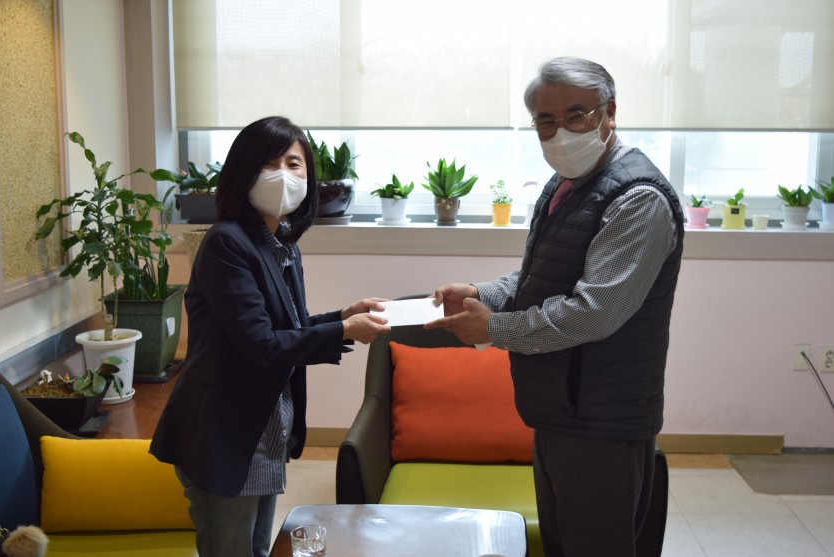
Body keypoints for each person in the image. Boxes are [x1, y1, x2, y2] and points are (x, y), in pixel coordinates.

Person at [425, 57, 684, 557]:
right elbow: (539, 278)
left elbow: (594, 311)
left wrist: (494, 328)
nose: (561, 132)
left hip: (602, 420)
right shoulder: (566, 183)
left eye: (576, 115)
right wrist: (481, 293)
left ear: (610, 113)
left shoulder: (639, 199)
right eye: (546, 120)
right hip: (560, 410)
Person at [150, 116, 390, 557]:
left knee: (260, 547)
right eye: (270, 162)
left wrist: (344, 315)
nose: (284, 174)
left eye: (294, 164)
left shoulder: (282, 245)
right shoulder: (226, 244)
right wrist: (343, 330)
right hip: (225, 431)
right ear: (244, 170)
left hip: (265, 427)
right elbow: (261, 343)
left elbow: (287, 327)